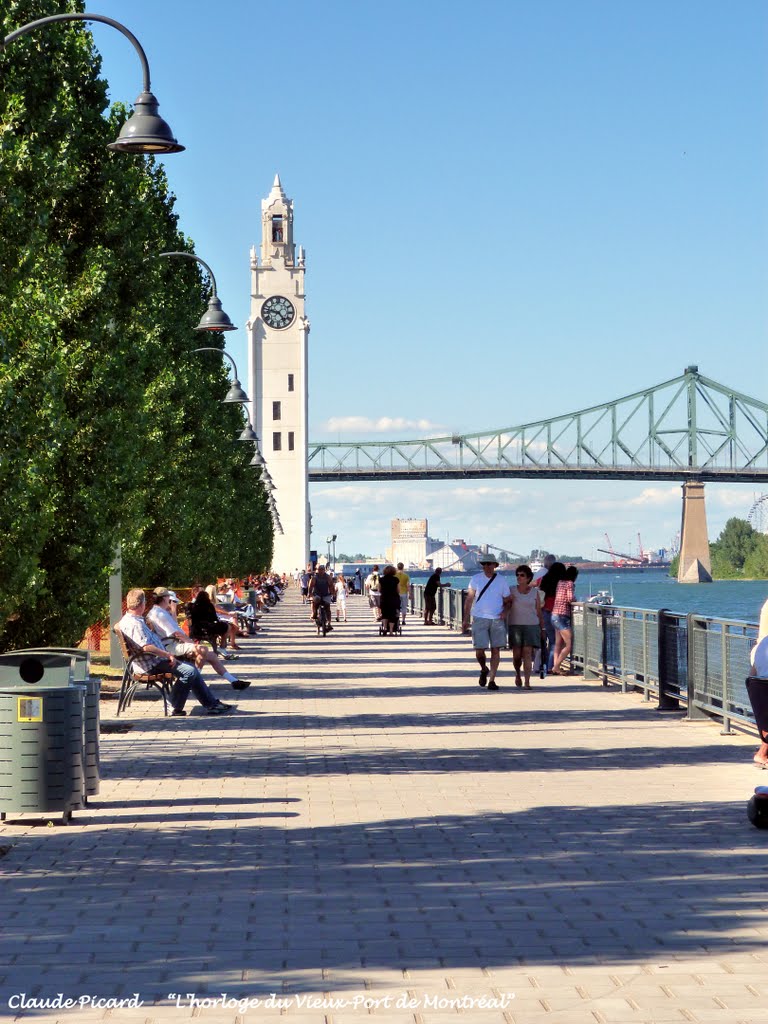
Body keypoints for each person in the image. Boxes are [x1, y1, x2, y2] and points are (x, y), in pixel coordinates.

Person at [115, 589, 234, 716]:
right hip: (151, 664)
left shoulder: (132, 619)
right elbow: (147, 647)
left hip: (153, 660)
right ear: (142, 604)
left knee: (191, 669)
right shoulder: (134, 624)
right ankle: (175, 706)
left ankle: (211, 704)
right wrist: (168, 655)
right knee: (189, 671)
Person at [146, 588, 248, 690]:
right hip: (170, 646)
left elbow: (175, 627)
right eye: (169, 598)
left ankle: (233, 681)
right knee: (202, 650)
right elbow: (177, 633)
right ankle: (193, 680)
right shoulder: (160, 614)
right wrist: (191, 643)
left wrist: (173, 610)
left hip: (171, 643)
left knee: (212, 656)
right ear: (165, 598)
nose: (171, 601)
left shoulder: (158, 612)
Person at [461, 554, 512, 690]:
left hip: (497, 619)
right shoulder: (475, 579)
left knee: (496, 650)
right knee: (479, 651)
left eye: (490, 564)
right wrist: (465, 619)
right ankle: (484, 668)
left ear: (495, 565)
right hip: (479, 617)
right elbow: (469, 599)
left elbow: (508, 601)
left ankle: (492, 680)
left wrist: (505, 612)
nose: (487, 566)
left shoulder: (501, 581)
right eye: (484, 564)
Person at [507, 565, 544, 688]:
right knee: (517, 655)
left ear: (528, 578)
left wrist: (542, 628)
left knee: (527, 653)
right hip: (515, 625)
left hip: (531, 625)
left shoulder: (535, 592)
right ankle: (518, 674)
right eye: (517, 575)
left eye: (522, 575)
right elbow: (504, 604)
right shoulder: (511, 590)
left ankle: (527, 681)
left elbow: (538, 611)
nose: (519, 577)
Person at [538, 560, 566, 674]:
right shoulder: (561, 583)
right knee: (557, 642)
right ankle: (551, 666)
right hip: (557, 613)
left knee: (551, 640)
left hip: (545, 612)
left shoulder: (545, 579)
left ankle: (548, 665)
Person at [551, 565, 579, 675]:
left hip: (554, 614)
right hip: (562, 616)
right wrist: (576, 600)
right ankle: (556, 667)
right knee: (569, 644)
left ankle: (555, 667)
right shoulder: (570, 583)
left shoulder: (560, 582)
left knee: (558, 643)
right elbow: (570, 598)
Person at [748, 634, 768, 767]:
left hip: (762, 701)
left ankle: (763, 752)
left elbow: (752, 674)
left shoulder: (763, 643)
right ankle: (762, 753)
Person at [307, 564, 333, 630]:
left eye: (322, 569)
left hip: (325, 595)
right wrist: (309, 593)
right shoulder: (314, 577)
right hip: (317, 594)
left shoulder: (327, 577)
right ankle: (314, 614)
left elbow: (331, 586)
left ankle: (329, 623)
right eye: (319, 570)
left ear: (324, 570)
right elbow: (310, 586)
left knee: (328, 608)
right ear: (317, 570)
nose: (321, 571)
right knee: (314, 604)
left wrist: (333, 593)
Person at [379, 565, 401, 636]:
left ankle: (385, 628)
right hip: (394, 599)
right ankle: (391, 630)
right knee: (392, 614)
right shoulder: (396, 579)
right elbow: (398, 590)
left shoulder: (381, 579)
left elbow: (379, 589)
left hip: (384, 598)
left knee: (384, 613)